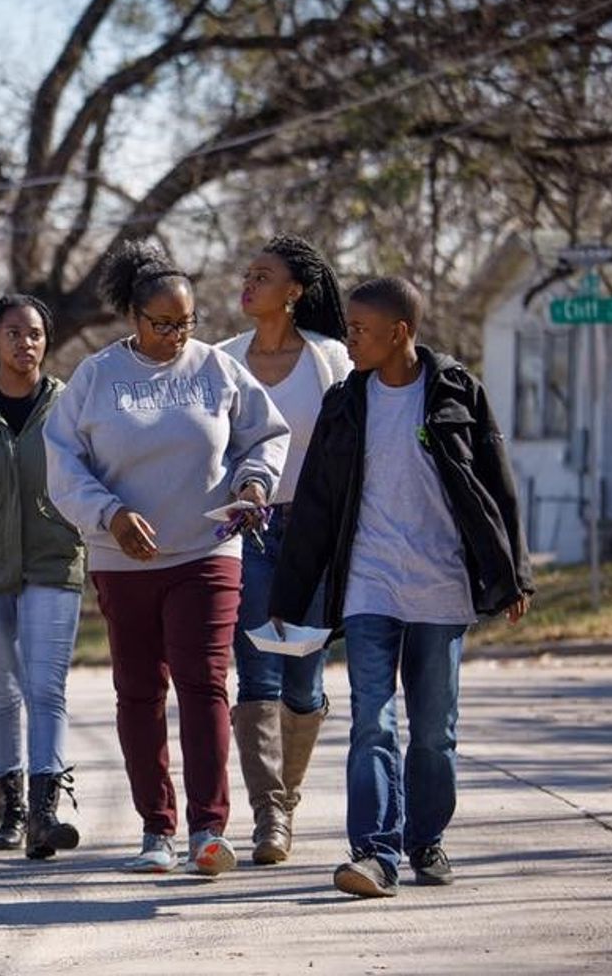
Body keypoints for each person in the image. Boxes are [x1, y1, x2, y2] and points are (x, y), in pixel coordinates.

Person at [269, 276, 533, 899]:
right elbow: (314, 507)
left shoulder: (455, 391)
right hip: (369, 586)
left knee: (435, 729)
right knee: (372, 721)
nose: (350, 339)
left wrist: (512, 574)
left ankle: (425, 839)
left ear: (400, 334)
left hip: (441, 589)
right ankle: (375, 852)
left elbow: (497, 486)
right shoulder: (344, 403)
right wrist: (289, 597)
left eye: (360, 331)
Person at [44, 240, 289, 877]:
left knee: (205, 683)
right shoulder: (96, 379)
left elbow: (266, 435)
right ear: (133, 317)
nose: (177, 335)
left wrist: (254, 483)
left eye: (186, 322)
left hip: (207, 551)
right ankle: (157, 831)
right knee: (139, 692)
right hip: (123, 561)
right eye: (163, 323)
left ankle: (210, 830)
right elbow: (62, 464)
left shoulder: (217, 370)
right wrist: (109, 514)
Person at [215, 234, 353, 865]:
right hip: (248, 530)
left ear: (294, 292)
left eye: (262, 276)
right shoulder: (220, 359)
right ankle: (270, 814)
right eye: (247, 274)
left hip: (313, 536)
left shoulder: (331, 361)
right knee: (257, 672)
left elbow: (356, 451)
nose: (248, 284)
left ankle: (286, 796)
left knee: (303, 678)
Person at [0, 294, 85, 859]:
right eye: (12, 333)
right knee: (1, 690)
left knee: (45, 688)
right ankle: (11, 808)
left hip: (53, 560)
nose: (24, 343)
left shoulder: (68, 404)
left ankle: (45, 815)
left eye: (34, 333)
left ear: (46, 342)